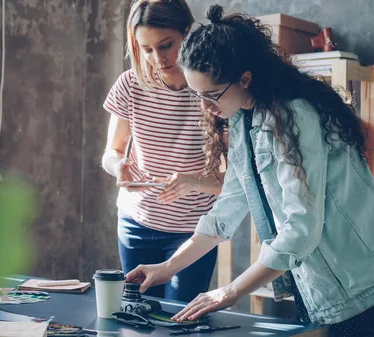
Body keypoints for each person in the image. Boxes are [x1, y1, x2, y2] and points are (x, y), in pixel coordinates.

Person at [126, 4, 374, 336]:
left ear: (245, 78)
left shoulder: (293, 116)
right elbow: (226, 208)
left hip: (359, 288)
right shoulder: (244, 116)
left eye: (212, 95)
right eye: (198, 95)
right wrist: (168, 268)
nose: (207, 108)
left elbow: (301, 228)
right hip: (322, 285)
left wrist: (229, 291)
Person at [101, 0, 224, 301]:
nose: (158, 58)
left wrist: (192, 180)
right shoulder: (130, 85)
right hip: (135, 225)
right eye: (147, 49)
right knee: (138, 316)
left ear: (187, 32)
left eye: (166, 45)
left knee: (179, 321)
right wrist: (118, 166)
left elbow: (233, 180)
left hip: (192, 232)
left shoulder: (214, 87)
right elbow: (111, 153)